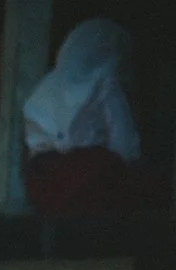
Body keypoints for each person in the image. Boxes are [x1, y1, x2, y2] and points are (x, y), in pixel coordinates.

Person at [21, 18, 153, 216]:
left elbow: (35, 151)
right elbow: (126, 147)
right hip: (91, 181)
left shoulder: (40, 92)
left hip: (45, 186)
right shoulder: (106, 84)